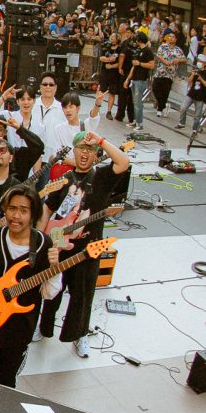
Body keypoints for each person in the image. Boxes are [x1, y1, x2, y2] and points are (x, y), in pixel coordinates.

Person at [38, 130, 131, 357]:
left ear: (96, 153)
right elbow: (48, 207)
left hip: (89, 249)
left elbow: (123, 161)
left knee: (82, 295)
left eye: (90, 150)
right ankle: (43, 328)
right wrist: (41, 236)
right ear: (74, 150)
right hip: (60, 246)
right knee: (52, 291)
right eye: (81, 148)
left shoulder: (101, 177)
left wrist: (99, 139)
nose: (84, 153)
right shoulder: (64, 179)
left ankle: (79, 335)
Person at [0, 184, 61, 388]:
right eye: (12, 208)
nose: (16, 216)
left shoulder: (44, 245)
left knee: (7, 383)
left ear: (33, 214)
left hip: (17, 330)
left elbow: (49, 293)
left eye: (23, 210)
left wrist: (56, 269)